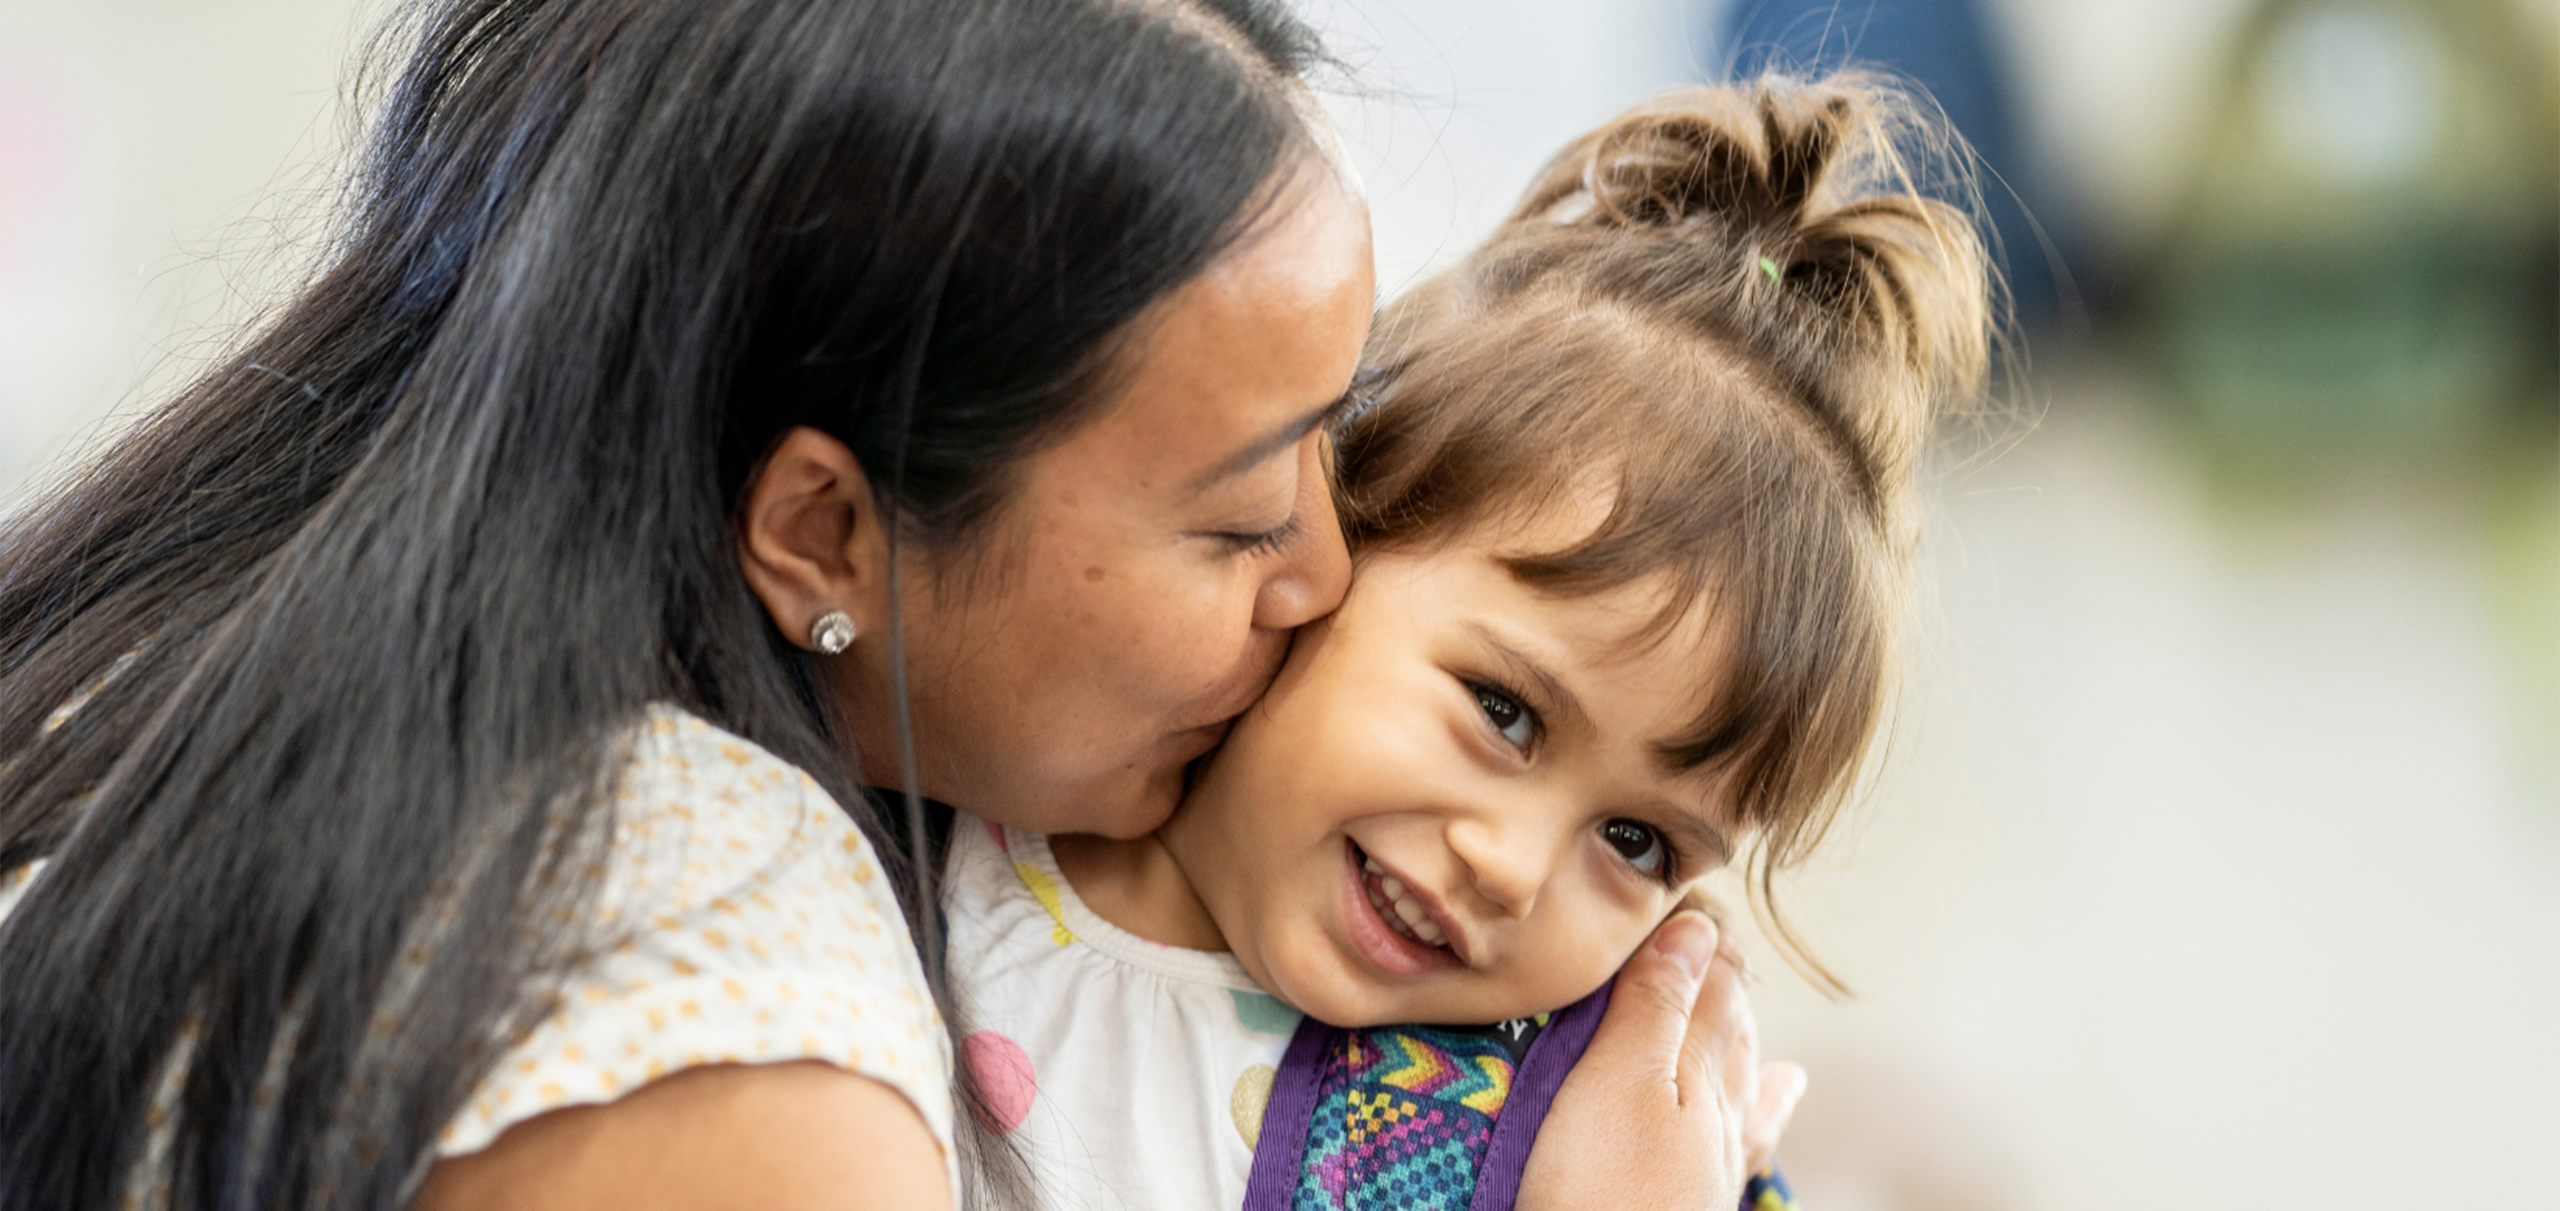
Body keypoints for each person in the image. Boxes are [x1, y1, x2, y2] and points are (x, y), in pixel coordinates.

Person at [0, 2, 1778, 1210]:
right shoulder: (756, 1050)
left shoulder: (219, 635)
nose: (1326, 575)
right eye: (1242, 516)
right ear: (827, 536)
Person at [941, 74, 1991, 1211]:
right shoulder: (961, 761)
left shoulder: (1561, 1136)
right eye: (1505, 711)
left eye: (1637, 841)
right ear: (1335, 528)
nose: (1511, 867)